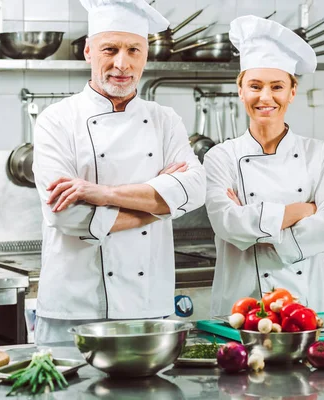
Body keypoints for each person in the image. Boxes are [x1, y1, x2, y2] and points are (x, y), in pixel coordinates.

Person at [32, 0, 206, 345]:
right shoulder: (57, 119)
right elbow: (67, 218)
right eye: (109, 49)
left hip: (147, 306)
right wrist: (161, 205)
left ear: (146, 55)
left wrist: (102, 194)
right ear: (88, 52)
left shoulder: (164, 119)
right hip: (74, 306)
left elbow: (196, 190)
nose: (121, 64)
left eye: (133, 50)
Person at [204, 16, 324, 316]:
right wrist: (301, 211)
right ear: (240, 90)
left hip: (309, 304)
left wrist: (253, 225)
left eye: (277, 87)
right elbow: (227, 224)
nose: (265, 97)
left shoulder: (318, 153)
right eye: (254, 86)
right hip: (242, 306)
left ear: (291, 93)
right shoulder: (220, 156)